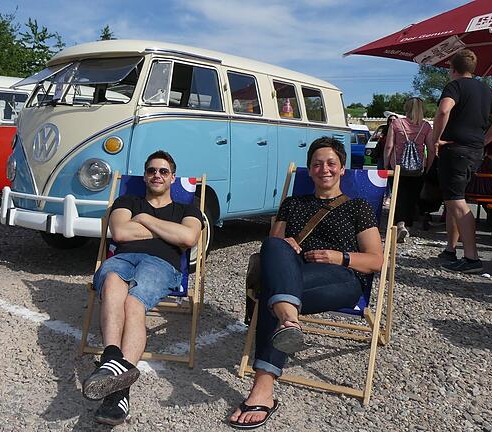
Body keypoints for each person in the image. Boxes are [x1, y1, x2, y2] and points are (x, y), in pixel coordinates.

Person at [228, 137, 383, 430]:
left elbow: (376, 260)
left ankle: (282, 329)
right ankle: (285, 331)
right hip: (293, 275)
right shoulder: (292, 204)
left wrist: (341, 257)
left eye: (331, 163)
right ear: (309, 170)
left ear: (342, 169)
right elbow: (272, 250)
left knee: (274, 294)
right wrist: (286, 244)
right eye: (316, 164)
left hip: (342, 279)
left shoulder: (358, 207)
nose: (324, 169)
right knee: (272, 246)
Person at [83, 150, 203, 425]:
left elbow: (187, 237)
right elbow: (122, 233)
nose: (156, 175)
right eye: (151, 170)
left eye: (163, 171)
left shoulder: (188, 208)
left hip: (161, 264)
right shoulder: (127, 200)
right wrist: (167, 231)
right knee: (112, 281)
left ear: (173, 177)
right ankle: (114, 359)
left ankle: (117, 389)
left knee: (133, 302)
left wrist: (146, 220)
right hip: (123, 258)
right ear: (144, 175)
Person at [431, 49, 492, 273]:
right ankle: (451, 249)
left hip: (455, 149)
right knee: (453, 201)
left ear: (452, 68)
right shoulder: (486, 90)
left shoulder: (454, 86)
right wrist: (485, 139)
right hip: (474, 151)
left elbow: (443, 111)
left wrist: (436, 138)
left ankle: (472, 258)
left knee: (458, 204)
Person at [384, 97, 435, 242]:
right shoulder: (425, 126)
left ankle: (400, 224)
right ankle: (408, 225)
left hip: (398, 167)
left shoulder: (396, 123)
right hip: (418, 168)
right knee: (412, 198)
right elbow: (431, 149)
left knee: (399, 196)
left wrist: (386, 164)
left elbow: (389, 146)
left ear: (406, 108)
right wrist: (428, 166)